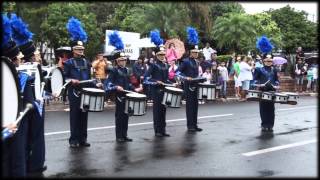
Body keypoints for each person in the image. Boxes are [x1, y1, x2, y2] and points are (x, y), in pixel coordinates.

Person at [64, 17, 102, 148]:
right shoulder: (68, 63)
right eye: (78, 49)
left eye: (82, 49)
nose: (81, 51)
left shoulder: (87, 62)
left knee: (84, 116)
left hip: (85, 92)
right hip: (74, 92)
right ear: (73, 50)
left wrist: (96, 84)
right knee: (75, 116)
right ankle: (73, 140)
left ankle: (83, 139)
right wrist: (71, 80)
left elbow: (90, 77)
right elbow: (64, 78)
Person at [104, 52, 143, 142]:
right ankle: (119, 136)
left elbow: (128, 84)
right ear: (117, 61)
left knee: (126, 116)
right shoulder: (114, 70)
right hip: (119, 96)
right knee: (120, 117)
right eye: (121, 60)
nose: (123, 62)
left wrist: (135, 89)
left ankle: (124, 135)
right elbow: (107, 84)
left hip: (127, 95)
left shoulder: (127, 70)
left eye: (124, 60)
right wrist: (116, 87)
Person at [144, 45, 174, 137]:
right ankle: (157, 131)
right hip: (156, 91)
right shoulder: (153, 65)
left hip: (164, 90)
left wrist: (172, 83)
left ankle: (163, 130)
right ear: (156, 55)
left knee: (163, 111)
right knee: (157, 111)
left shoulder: (166, 65)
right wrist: (156, 81)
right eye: (160, 55)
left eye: (163, 54)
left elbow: (166, 79)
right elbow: (146, 78)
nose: (162, 56)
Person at [175, 44, 203, 132]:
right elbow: (177, 72)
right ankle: (190, 126)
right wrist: (186, 77)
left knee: (195, 106)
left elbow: (196, 74)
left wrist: (200, 78)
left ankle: (194, 125)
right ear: (191, 53)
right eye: (194, 52)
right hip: (188, 85)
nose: (196, 54)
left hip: (195, 85)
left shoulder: (196, 62)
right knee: (190, 106)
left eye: (197, 52)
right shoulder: (186, 61)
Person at [253, 54, 280, 132]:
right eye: (267, 60)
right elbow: (254, 80)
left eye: (270, 60)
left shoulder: (274, 69)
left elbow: (276, 80)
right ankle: (264, 124)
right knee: (263, 108)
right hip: (263, 90)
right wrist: (259, 83)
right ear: (263, 61)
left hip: (272, 91)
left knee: (271, 108)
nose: (269, 62)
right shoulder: (259, 69)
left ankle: (271, 125)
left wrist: (276, 85)